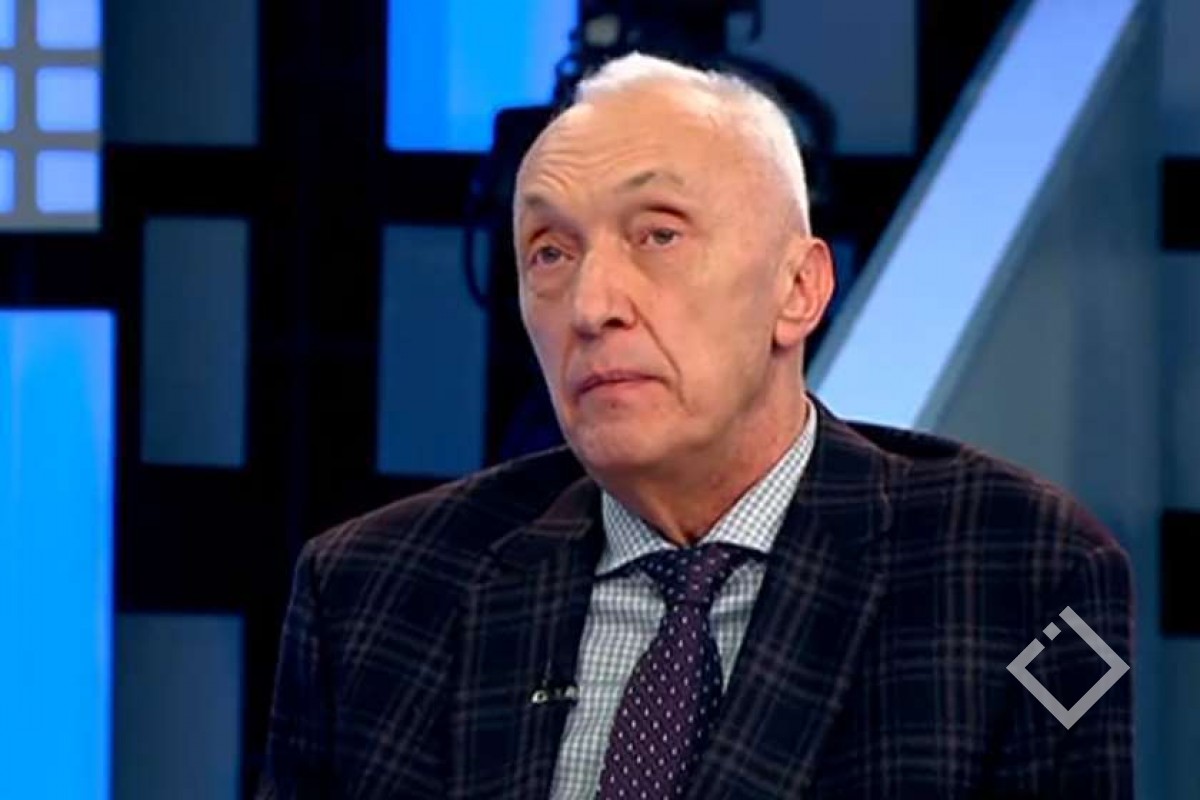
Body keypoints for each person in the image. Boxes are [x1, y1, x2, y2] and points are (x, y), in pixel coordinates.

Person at [257, 53, 1133, 799]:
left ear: (798, 290)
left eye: (659, 236)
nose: (592, 306)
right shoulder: (372, 593)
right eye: (550, 253)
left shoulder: (1020, 570)